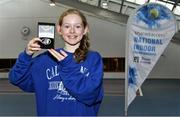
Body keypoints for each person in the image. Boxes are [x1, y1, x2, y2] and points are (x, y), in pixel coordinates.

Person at [9, 9, 104, 116]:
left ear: (85, 29)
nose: (72, 31)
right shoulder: (45, 59)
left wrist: (67, 65)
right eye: (67, 26)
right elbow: (16, 79)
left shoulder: (93, 59)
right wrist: (26, 55)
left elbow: (90, 95)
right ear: (59, 30)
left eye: (77, 26)